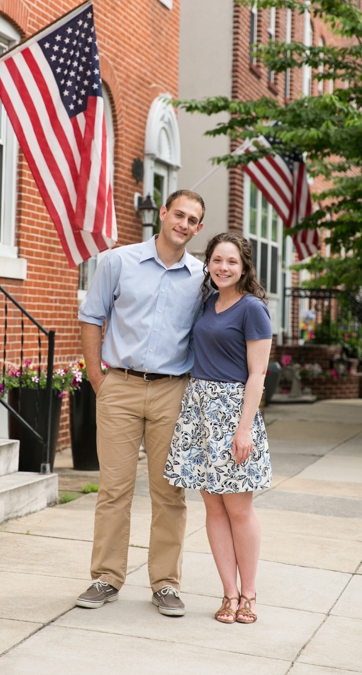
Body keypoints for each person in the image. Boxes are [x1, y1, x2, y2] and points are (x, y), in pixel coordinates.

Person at [76, 190, 206, 617]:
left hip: (173, 391)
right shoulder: (118, 261)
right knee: (114, 489)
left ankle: (165, 583)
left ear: (198, 228)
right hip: (121, 385)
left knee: (170, 493)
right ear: (163, 214)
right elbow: (92, 316)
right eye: (179, 214)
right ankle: (106, 577)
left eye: (193, 220)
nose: (183, 224)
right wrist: (98, 378)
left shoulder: (201, 276)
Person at [164, 232, 272, 624]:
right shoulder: (208, 303)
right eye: (217, 260)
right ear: (207, 263)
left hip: (233, 413)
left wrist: (244, 430)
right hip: (199, 412)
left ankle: (250, 596)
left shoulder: (252, 309)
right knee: (212, 506)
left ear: (244, 268)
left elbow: (258, 373)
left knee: (239, 509)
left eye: (232, 262)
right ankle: (228, 594)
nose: (223, 268)